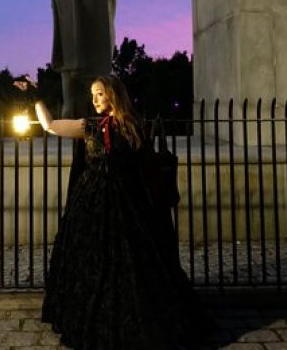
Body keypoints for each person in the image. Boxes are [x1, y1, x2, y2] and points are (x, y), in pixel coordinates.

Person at [35, 75, 206, 349]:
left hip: (127, 204)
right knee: (94, 261)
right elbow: (50, 126)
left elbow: (145, 168)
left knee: (131, 263)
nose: (94, 99)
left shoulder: (133, 126)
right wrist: (36, 98)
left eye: (99, 93)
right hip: (92, 204)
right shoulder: (90, 126)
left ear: (113, 94)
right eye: (92, 94)